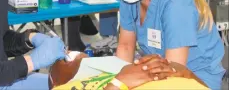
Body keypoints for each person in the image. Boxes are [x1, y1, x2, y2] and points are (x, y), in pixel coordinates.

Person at [49, 54, 209, 89]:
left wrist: (188, 74)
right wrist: (118, 83)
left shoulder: (114, 72)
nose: (73, 55)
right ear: (55, 82)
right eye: (65, 60)